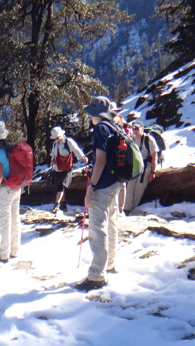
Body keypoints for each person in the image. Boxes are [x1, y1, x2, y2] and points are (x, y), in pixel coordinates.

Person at [76, 96, 122, 292]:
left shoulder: (100, 129)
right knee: (111, 222)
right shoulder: (113, 127)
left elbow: (101, 160)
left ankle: (96, 275)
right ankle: (110, 263)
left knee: (97, 227)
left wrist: (91, 187)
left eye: (91, 113)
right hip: (115, 182)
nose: (89, 116)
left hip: (103, 184)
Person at [0, 121, 21, 262]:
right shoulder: (10, 147)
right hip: (16, 187)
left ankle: (4, 254)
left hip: (4, 189)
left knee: (5, 221)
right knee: (15, 219)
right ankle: (14, 250)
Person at [48, 126, 88, 213]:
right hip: (57, 169)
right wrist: (52, 161)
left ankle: (56, 205)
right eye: (55, 138)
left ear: (61, 135)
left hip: (66, 168)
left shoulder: (68, 142)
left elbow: (76, 149)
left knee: (61, 186)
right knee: (60, 187)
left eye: (57, 138)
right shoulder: (55, 144)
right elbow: (53, 154)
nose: (56, 140)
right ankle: (63, 205)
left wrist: (83, 157)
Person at [123, 120, 158, 213]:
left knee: (139, 190)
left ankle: (131, 209)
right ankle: (126, 209)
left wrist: (153, 172)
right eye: (133, 128)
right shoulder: (130, 139)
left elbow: (154, 156)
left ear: (142, 129)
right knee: (129, 188)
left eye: (137, 128)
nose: (135, 130)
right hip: (133, 167)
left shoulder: (148, 139)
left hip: (145, 168)